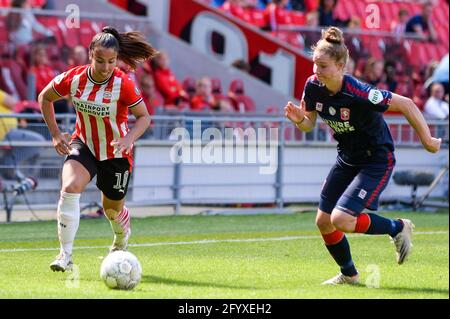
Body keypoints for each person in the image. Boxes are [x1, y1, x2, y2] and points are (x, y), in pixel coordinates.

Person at [284, 27, 441, 285]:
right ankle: (350, 275)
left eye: (323, 66)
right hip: (347, 157)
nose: (316, 71)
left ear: (341, 65)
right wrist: (300, 120)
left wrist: (427, 140)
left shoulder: (359, 92)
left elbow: (406, 104)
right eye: (315, 65)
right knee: (324, 221)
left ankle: (398, 228)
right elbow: (309, 124)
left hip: (375, 159)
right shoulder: (313, 87)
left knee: (341, 219)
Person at [38, 26, 157, 272]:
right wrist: (55, 134)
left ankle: (121, 238)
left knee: (112, 210)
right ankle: (65, 256)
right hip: (84, 144)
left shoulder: (123, 84)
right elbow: (45, 97)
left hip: (116, 152)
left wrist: (128, 139)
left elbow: (144, 117)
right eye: (100, 60)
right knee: (70, 188)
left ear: (117, 60)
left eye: (111, 61)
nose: (105, 67)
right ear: (90, 55)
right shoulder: (75, 78)